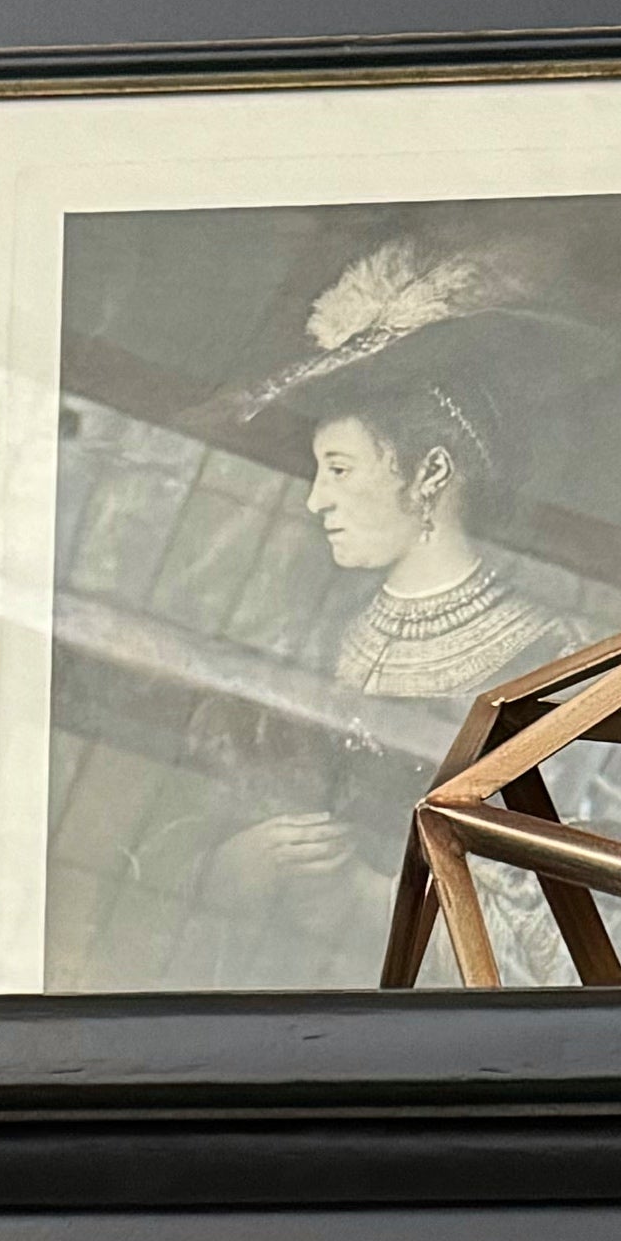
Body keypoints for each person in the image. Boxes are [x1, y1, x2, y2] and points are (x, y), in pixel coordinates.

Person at [195, 261, 577, 972]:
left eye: (338, 470)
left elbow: (567, 907)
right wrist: (238, 866)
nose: (316, 501)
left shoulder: (549, 659)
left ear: (430, 473)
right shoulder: (316, 632)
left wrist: (370, 901)